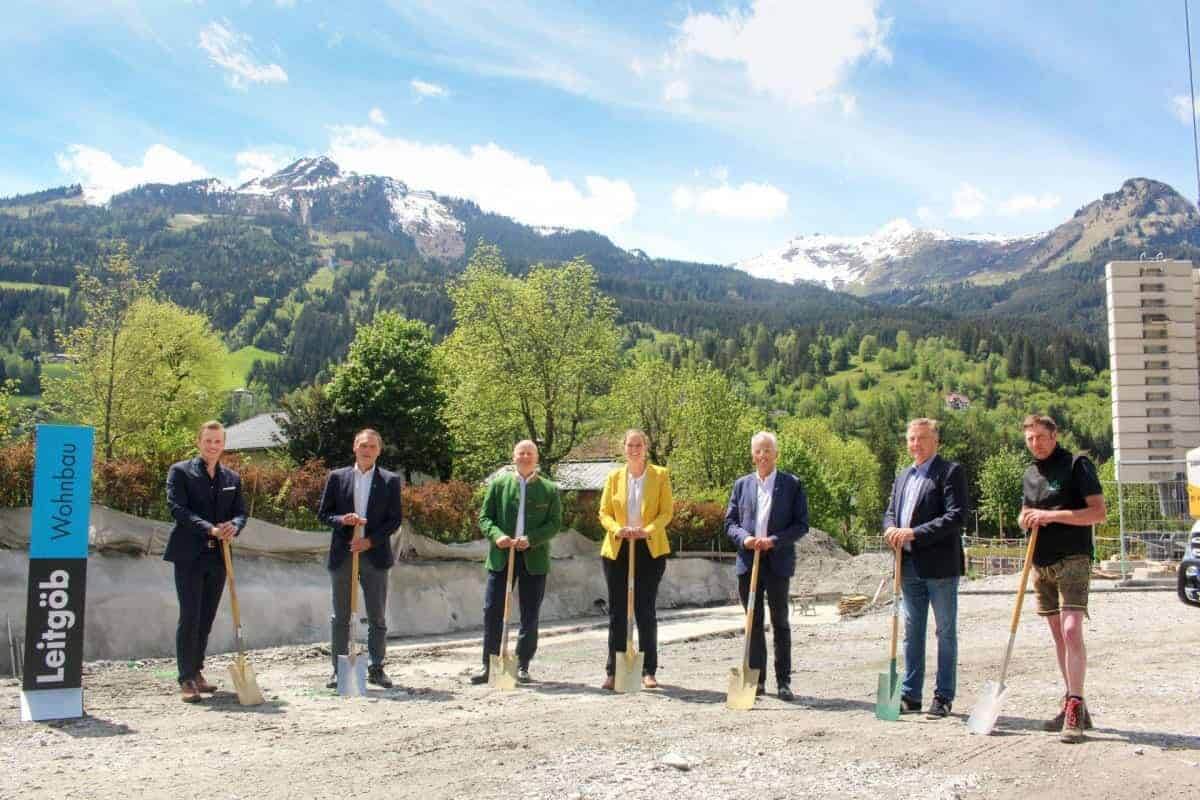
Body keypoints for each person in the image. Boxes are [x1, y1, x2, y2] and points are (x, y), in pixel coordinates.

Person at [1018, 414, 1106, 743]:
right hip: (1040, 561)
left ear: (1054, 435)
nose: (1035, 443)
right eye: (1029, 439)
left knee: (1071, 631)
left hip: (1073, 558)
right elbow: (1026, 511)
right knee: (1058, 635)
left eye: (1041, 437)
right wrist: (1025, 518)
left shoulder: (1077, 465)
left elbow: (1098, 512)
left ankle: (1075, 705)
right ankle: (1072, 698)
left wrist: (1049, 516)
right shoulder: (1029, 473)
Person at [882, 418, 967, 719]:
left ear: (936, 441)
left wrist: (914, 533)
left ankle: (943, 696)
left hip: (940, 567)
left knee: (944, 632)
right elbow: (890, 512)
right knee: (911, 632)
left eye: (921, 438)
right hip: (907, 566)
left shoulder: (950, 472)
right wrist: (891, 529)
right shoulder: (903, 476)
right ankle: (910, 695)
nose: (915, 444)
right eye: (911, 439)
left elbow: (956, 516)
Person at [164, 421, 247, 703]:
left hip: (219, 556)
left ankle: (197, 671)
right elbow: (178, 509)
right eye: (209, 441)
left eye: (218, 442)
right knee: (190, 615)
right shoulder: (181, 472)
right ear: (199, 442)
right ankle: (186, 677)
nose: (213, 446)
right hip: (189, 554)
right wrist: (209, 528)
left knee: (207, 617)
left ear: (224, 444)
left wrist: (233, 526)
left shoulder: (231, 478)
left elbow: (241, 513)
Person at [723, 431, 809, 701]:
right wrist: (746, 538)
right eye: (758, 451)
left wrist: (773, 540)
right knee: (753, 622)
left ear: (776, 454)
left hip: (778, 561)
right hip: (748, 563)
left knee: (780, 622)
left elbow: (800, 524)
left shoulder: (792, 484)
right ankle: (756, 680)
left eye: (767, 450)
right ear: (752, 455)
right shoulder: (742, 485)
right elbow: (730, 523)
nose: (762, 455)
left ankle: (784, 681)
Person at [317, 429, 404, 690]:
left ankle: (376, 667)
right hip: (344, 553)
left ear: (379, 450)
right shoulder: (337, 477)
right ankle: (338, 668)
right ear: (355, 447)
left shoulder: (390, 480)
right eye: (363, 445)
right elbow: (323, 514)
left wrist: (369, 540)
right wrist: (343, 520)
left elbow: (394, 519)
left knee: (377, 615)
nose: (367, 450)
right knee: (341, 615)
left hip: (374, 555)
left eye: (373, 446)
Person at [471, 440, 562, 685]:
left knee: (530, 613)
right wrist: (497, 535)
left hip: (534, 558)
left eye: (529, 453)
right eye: (521, 453)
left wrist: (531, 539)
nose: (525, 457)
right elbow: (485, 517)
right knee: (493, 610)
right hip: (502, 557)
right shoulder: (499, 485)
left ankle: (522, 665)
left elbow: (555, 523)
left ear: (537, 458)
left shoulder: (549, 489)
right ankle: (489, 664)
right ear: (514, 457)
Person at [598, 429, 674, 690]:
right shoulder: (613, 476)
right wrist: (618, 529)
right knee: (618, 612)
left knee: (644, 610)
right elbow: (604, 513)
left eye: (638, 445)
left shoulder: (660, 475)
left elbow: (666, 513)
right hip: (618, 548)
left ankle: (648, 670)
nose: (634, 449)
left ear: (646, 447)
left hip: (649, 548)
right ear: (624, 448)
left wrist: (647, 530)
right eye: (630, 445)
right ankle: (614, 670)